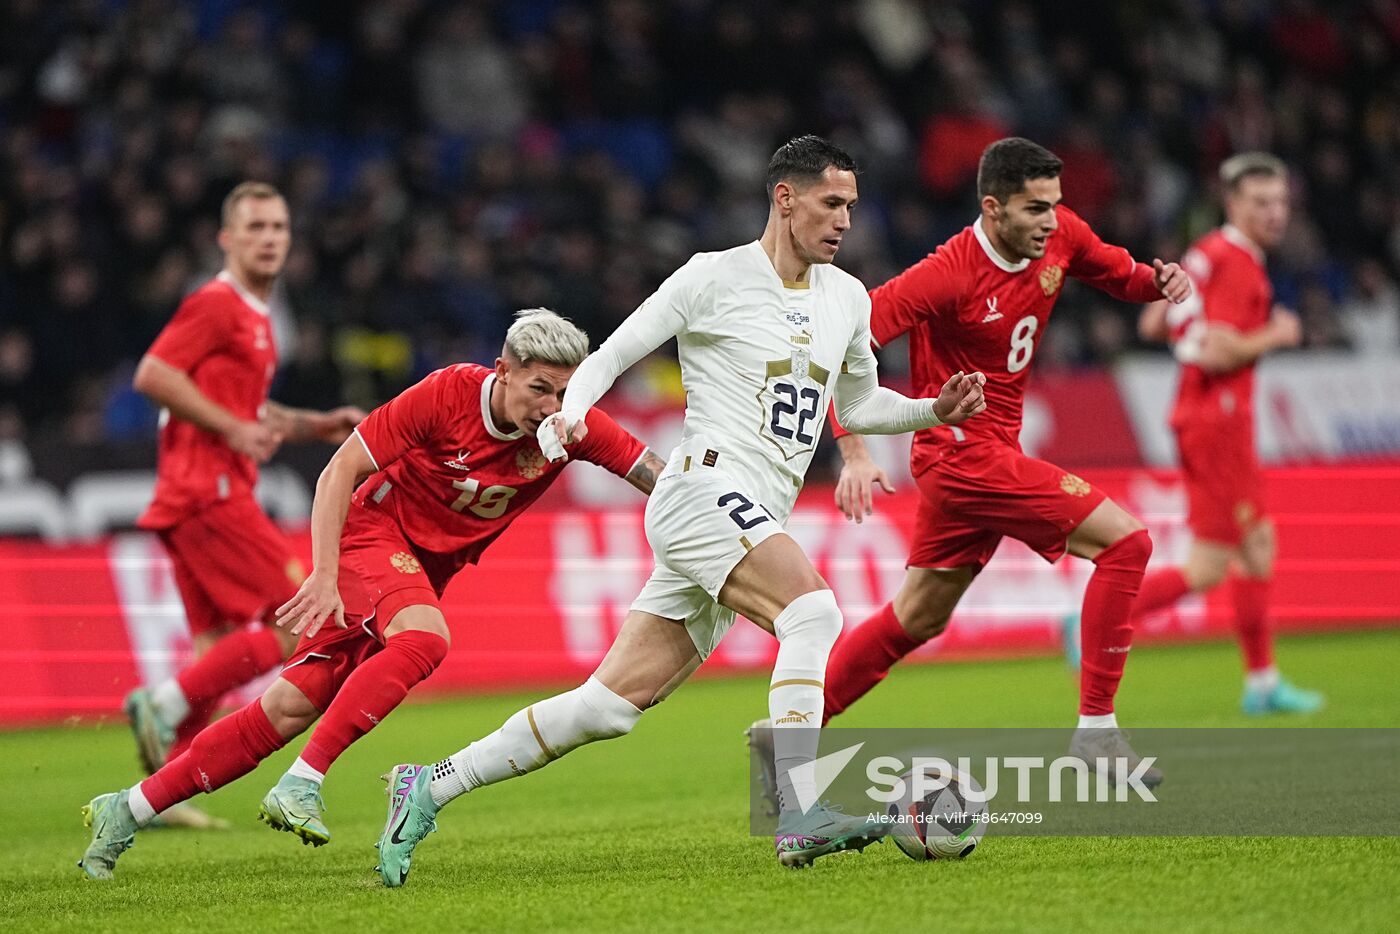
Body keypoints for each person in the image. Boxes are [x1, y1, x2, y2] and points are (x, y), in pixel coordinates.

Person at [369, 135, 986, 887]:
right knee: (813, 613)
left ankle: (428, 786)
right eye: (831, 204)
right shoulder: (712, 279)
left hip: (753, 514)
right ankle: (797, 812)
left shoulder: (847, 298)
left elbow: (857, 403)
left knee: (607, 707)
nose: (845, 221)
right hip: (702, 492)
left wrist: (931, 409)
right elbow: (611, 354)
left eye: (851, 206)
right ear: (785, 199)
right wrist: (572, 415)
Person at [79, 309, 665, 880]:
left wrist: (715, 502)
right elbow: (340, 469)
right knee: (426, 640)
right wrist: (325, 574)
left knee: (286, 710)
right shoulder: (445, 396)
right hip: (371, 537)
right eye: (541, 388)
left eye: (566, 391)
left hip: (420, 572)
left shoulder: (570, 426)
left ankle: (126, 809)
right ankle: (303, 782)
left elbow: (653, 472)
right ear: (502, 371)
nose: (552, 407)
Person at [814, 138, 1190, 785]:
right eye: (1034, 208)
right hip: (959, 456)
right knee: (1127, 544)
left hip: (993, 451)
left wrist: (1157, 282)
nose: (1050, 220)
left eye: (1054, 206)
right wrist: (852, 450)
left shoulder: (1060, 234)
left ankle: (791, 728)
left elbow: (1112, 271)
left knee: (917, 616)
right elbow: (841, 348)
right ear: (993, 209)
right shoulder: (948, 273)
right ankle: (1096, 733)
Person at [124, 182, 364, 827]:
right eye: (255, 227)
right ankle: (164, 702)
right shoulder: (217, 304)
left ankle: (159, 797)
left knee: (220, 647)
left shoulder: (257, 318)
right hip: (213, 491)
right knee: (297, 622)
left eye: (279, 228)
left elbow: (244, 407)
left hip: (191, 496)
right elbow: (153, 375)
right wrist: (231, 433)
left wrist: (315, 424)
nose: (269, 239)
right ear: (227, 239)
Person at [1100, 152, 1322, 715]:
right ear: (1233, 204)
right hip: (1218, 419)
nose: (1275, 214)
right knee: (1208, 567)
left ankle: (1263, 683)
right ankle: (1092, 617)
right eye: (1261, 203)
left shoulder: (1202, 256)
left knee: (1258, 546)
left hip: (1204, 417)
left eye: (1281, 203)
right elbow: (1218, 349)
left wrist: (1191, 333)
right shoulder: (1240, 262)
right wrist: (1275, 335)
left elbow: (1153, 321)